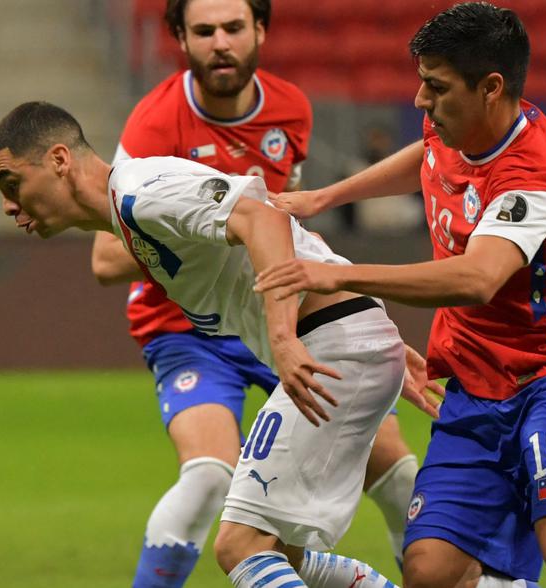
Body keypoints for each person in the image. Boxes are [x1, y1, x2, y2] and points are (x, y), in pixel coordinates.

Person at [258, 3, 546, 587]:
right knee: (430, 572)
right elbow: (427, 158)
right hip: (471, 391)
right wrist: (323, 198)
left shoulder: (533, 172)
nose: (420, 100)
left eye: (436, 87)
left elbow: (476, 278)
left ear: (491, 87)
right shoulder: (452, 125)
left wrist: (338, 274)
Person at [0, 101, 439, 588]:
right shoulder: (127, 215)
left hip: (329, 344)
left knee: (239, 547)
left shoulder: (143, 191)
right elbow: (285, 236)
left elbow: (261, 218)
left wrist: (295, 336)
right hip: (342, 337)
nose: (10, 205)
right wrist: (371, 329)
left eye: (13, 185)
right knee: (280, 550)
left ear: (59, 160)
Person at [90, 0, 420, 583]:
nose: (220, 42)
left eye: (234, 28)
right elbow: (108, 256)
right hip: (186, 329)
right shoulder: (154, 124)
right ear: (180, 39)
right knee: (209, 477)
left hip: (279, 316)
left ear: (260, 30)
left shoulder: (290, 108)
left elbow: (285, 220)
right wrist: (207, 237)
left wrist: (359, 323)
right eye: (204, 31)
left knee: (397, 474)